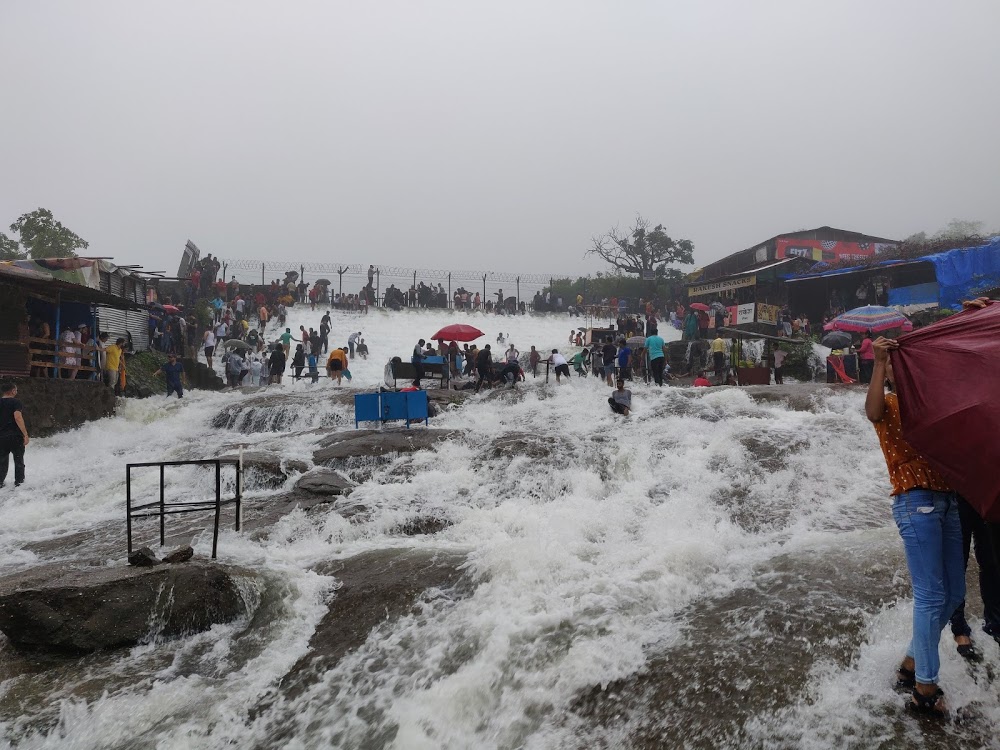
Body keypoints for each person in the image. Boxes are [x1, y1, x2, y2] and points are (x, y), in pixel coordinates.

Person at [866, 336, 963, 716]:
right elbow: (871, 411)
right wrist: (877, 362)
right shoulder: (887, 403)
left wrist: (979, 316)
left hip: (949, 501)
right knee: (931, 595)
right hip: (915, 502)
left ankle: (910, 663)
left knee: (954, 595)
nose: (900, 367)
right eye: (895, 363)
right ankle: (925, 687)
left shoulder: (931, 406)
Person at [0, 380, 29, 488]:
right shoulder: (16, 402)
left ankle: (0, 484)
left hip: (1, 437)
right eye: (16, 390)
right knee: (18, 461)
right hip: (15, 437)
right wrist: (25, 434)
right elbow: (18, 417)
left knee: (1, 462)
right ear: (12, 391)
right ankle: (19, 484)